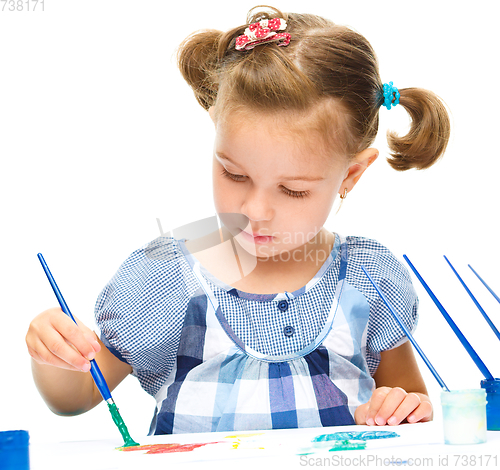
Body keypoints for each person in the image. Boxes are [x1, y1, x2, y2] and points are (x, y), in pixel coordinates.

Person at [26, 5, 450, 434]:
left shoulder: (367, 277)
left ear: (352, 174)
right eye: (234, 173)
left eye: (293, 190)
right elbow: (72, 398)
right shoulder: (166, 278)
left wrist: (398, 409)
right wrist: (54, 353)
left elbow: (413, 409)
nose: (254, 210)